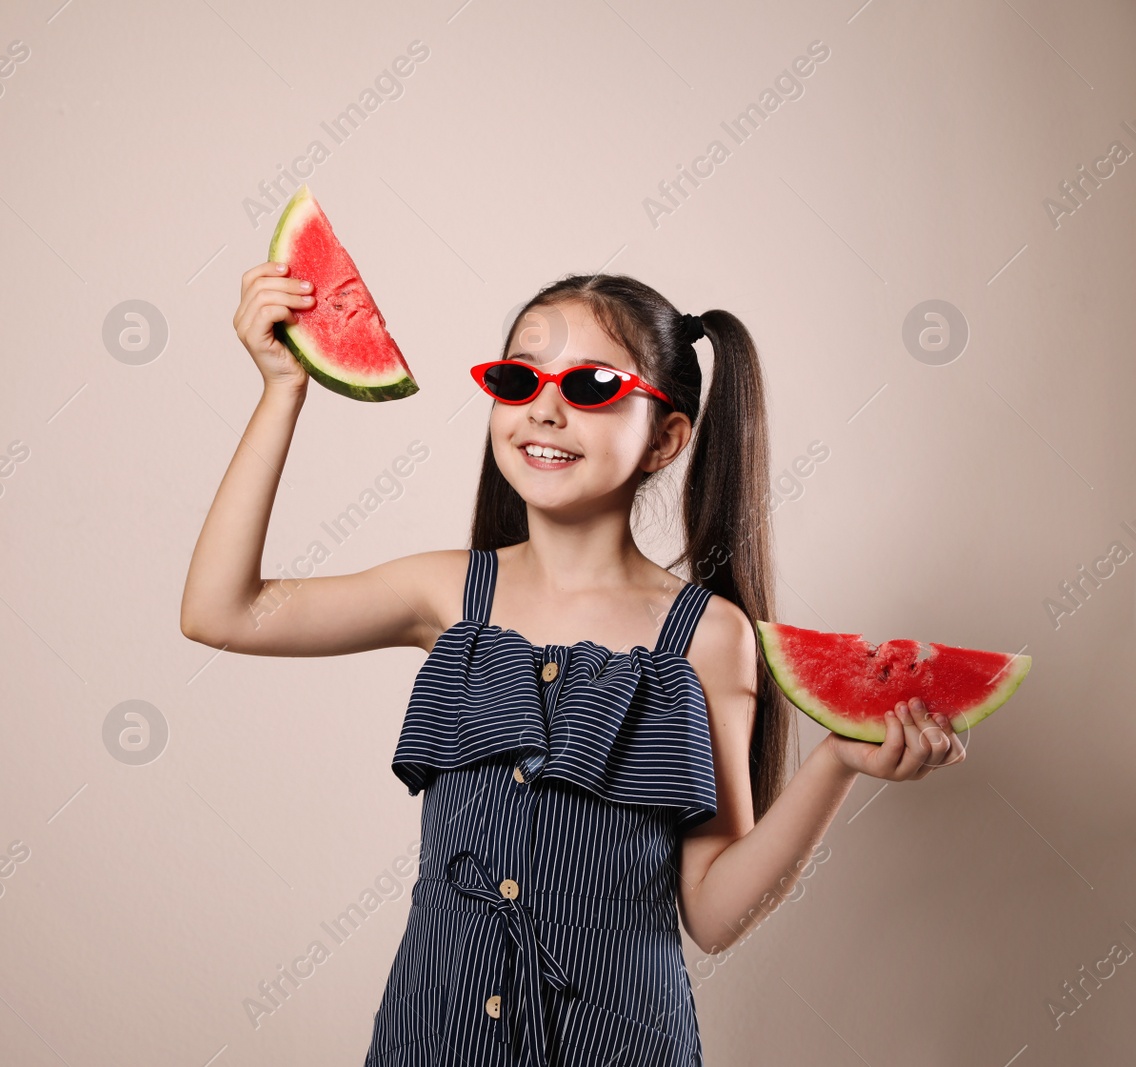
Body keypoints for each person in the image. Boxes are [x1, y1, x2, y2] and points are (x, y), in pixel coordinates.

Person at [180, 262, 966, 1065]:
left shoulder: (707, 635)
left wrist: (835, 762)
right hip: (431, 1042)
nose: (545, 408)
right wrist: (283, 389)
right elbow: (220, 610)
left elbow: (713, 912)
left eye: (591, 384)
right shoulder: (449, 591)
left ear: (666, 436)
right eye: (519, 380)